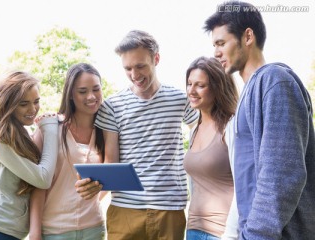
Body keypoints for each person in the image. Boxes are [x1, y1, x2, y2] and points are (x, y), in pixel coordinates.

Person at [204, 1, 315, 239]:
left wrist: (255, 235)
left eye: (221, 43)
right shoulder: (249, 94)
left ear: (247, 37)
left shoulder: (275, 81)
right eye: (214, 45)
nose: (216, 52)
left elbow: (282, 174)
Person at [76, 30, 198, 240]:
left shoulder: (181, 99)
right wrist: (92, 185)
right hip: (125, 209)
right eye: (128, 68)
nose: (134, 75)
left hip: (170, 209)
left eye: (140, 66)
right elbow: (111, 162)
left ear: (156, 59)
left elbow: (204, 134)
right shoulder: (112, 106)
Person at [0, 71, 58, 240]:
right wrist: (50, 129)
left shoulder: (20, 133)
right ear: (8, 104)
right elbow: (42, 178)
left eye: (36, 102)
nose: (33, 109)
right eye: (24, 104)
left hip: (5, 233)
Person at [29, 63, 105, 240]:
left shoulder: (107, 130)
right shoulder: (49, 128)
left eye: (96, 89)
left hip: (94, 228)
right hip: (54, 230)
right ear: (71, 94)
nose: (91, 96)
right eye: (82, 91)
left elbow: (109, 175)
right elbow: (37, 185)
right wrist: (34, 233)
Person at [184, 56, 238, 240]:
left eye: (200, 85)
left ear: (217, 88)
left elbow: (245, 184)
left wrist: (231, 235)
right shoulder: (194, 131)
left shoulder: (231, 128)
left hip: (222, 232)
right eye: (189, 83)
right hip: (193, 229)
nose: (191, 91)